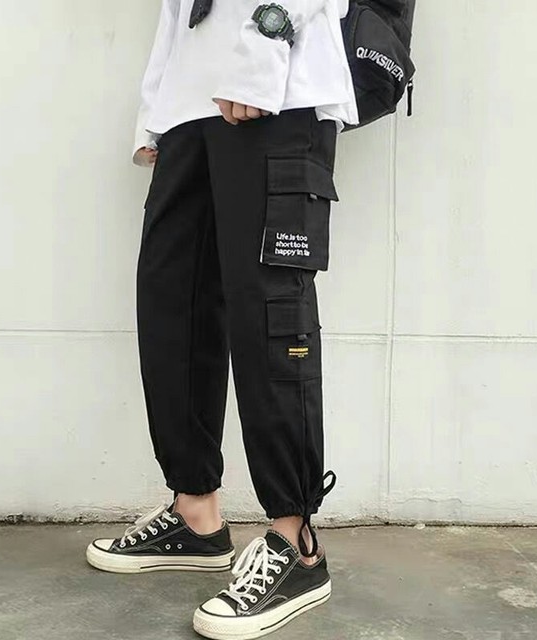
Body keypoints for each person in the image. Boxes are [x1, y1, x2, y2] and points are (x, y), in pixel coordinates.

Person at [86, 1, 358, 637]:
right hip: (189, 104)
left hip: (278, 87)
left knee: (269, 313)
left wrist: (265, 47)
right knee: (171, 304)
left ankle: (295, 542)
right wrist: (155, 110)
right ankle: (196, 515)